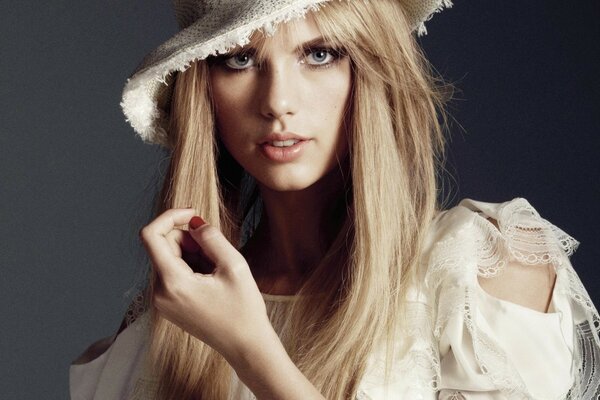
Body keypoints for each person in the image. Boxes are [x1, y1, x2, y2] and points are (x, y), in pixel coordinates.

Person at [70, 0, 600, 399]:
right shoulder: (174, 313)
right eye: (238, 59)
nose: (278, 102)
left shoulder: (481, 271)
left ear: (372, 70)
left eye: (319, 54)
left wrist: (251, 350)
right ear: (202, 90)